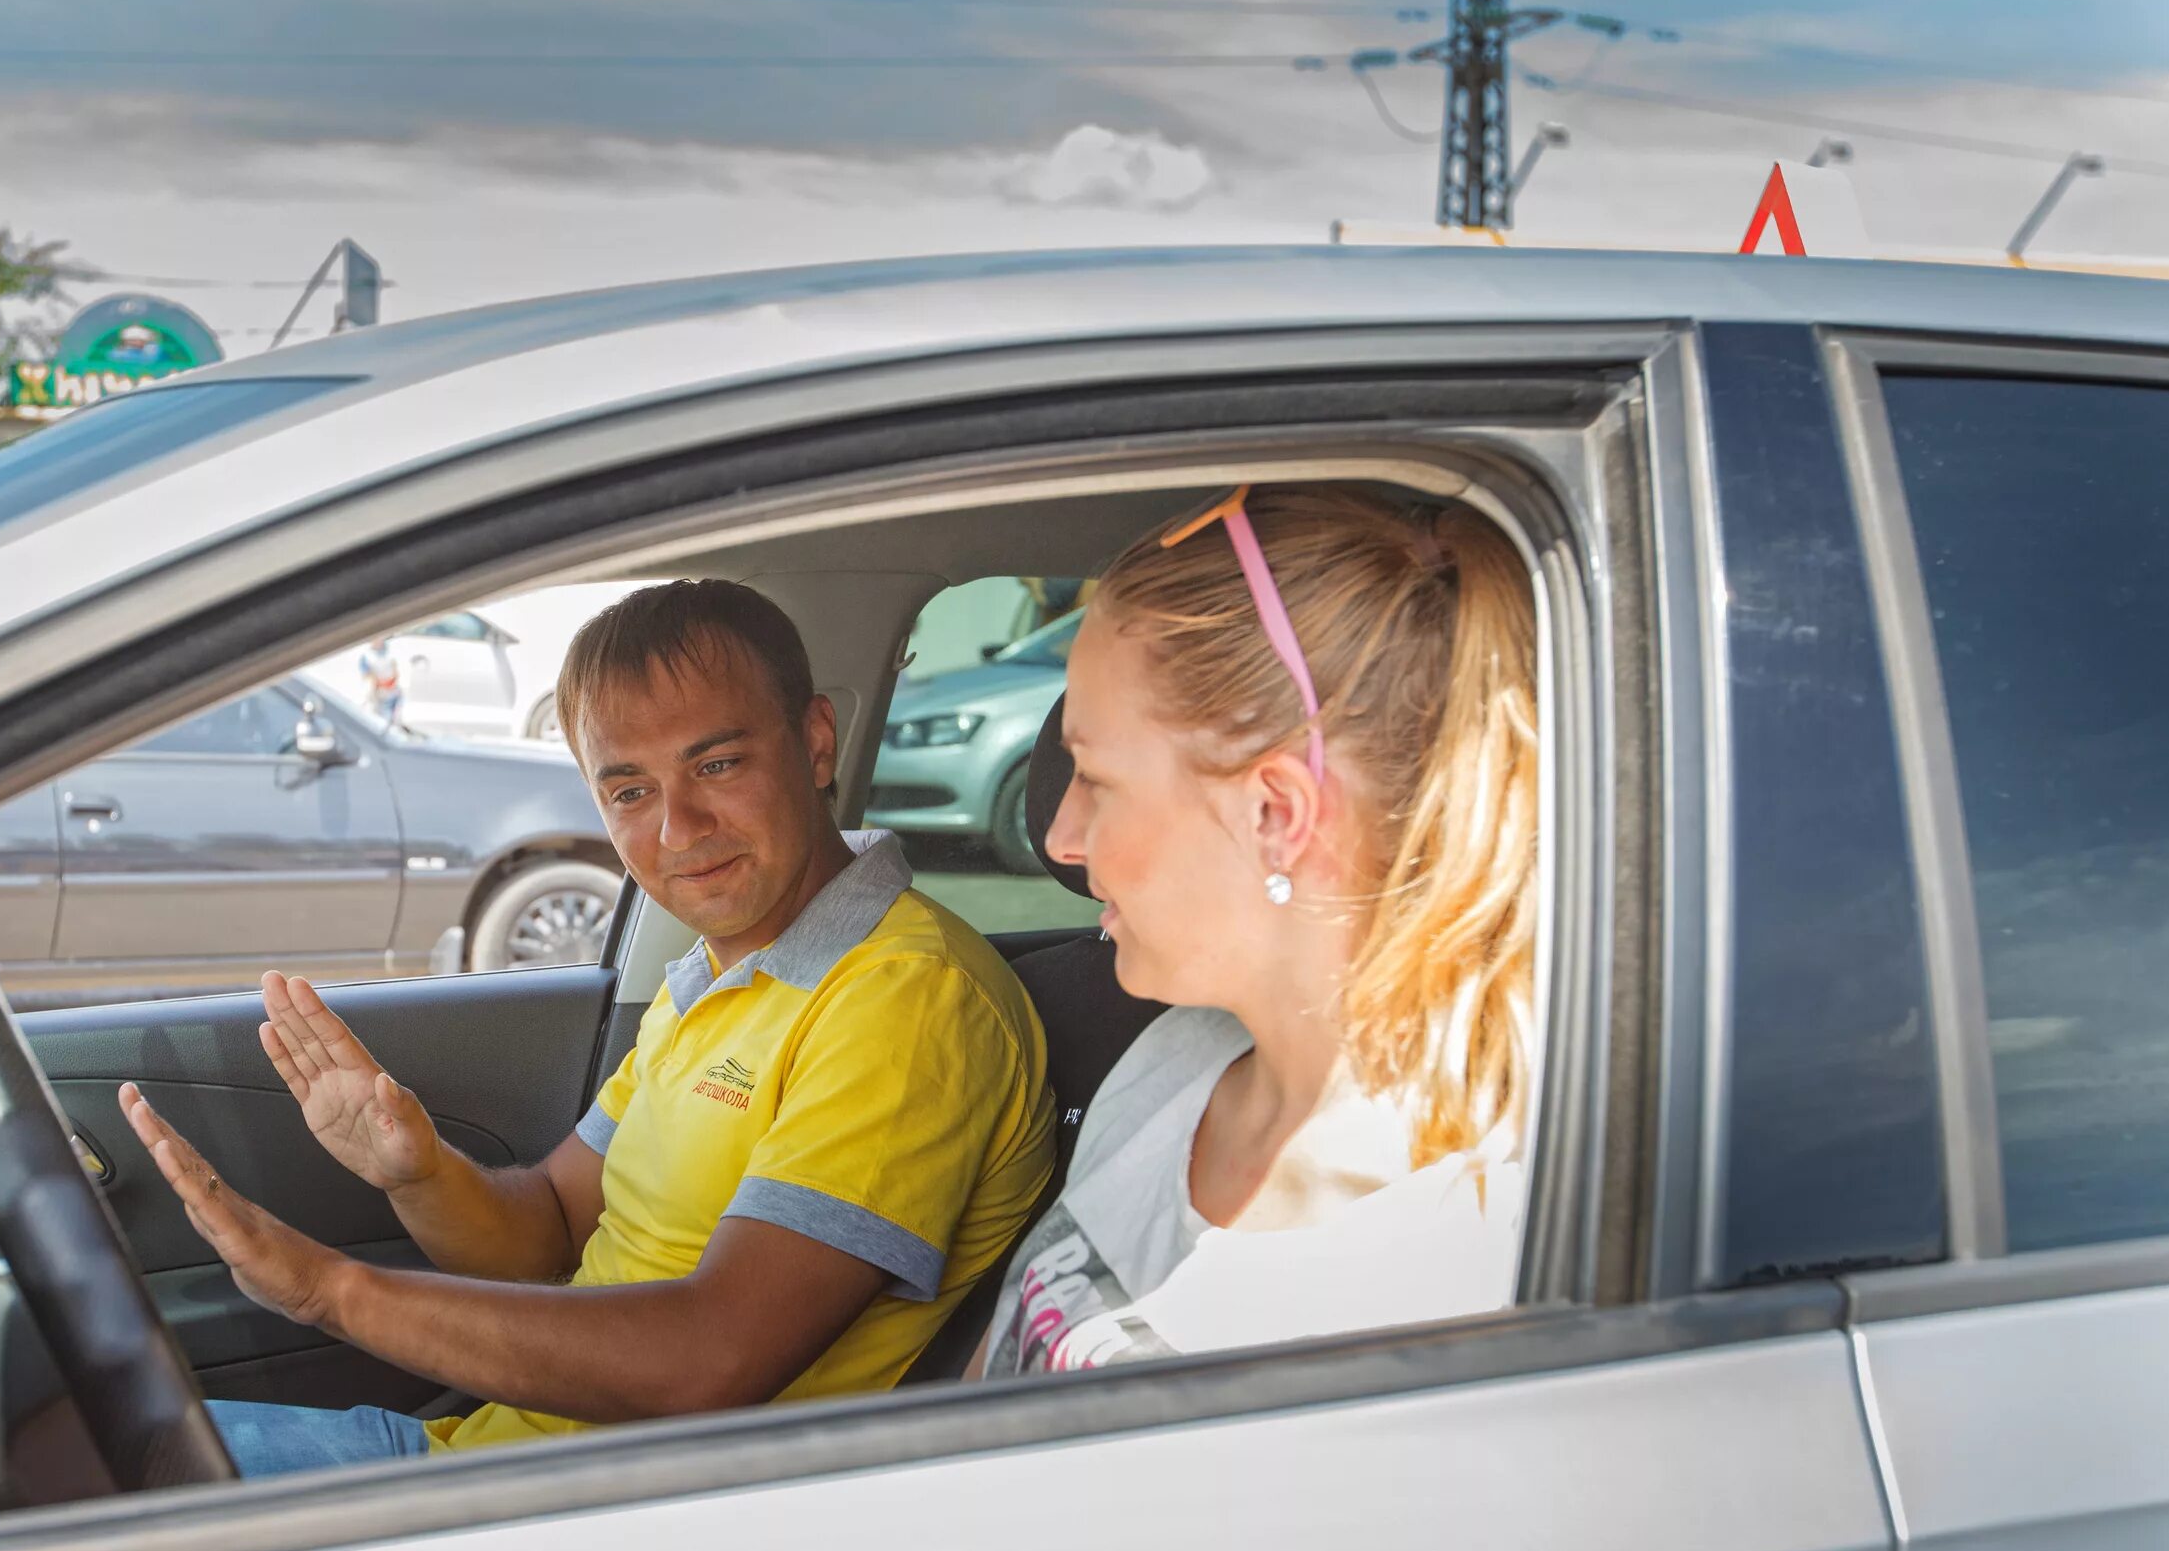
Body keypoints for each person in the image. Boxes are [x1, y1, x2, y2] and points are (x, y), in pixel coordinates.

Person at [122, 579, 1057, 1475]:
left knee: (66, 1470)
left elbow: (712, 1361)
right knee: (82, 1446)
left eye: (717, 764)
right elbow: (552, 1231)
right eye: (629, 793)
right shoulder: (714, 978)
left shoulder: (905, 998)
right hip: (499, 1460)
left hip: (610, 1523)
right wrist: (418, 1173)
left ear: (816, 743)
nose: (678, 829)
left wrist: (330, 1291)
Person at [977, 482, 1539, 1378]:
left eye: (1095, 778)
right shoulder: (1174, 1063)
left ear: (1277, 813)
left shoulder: (1444, 1249)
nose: (1059, 837)